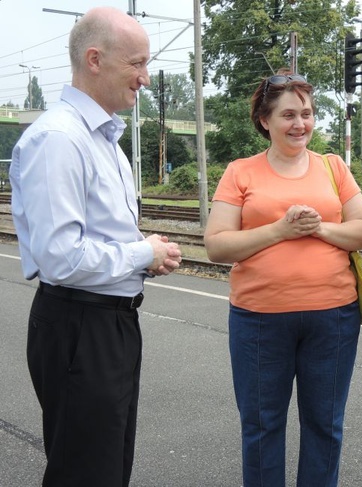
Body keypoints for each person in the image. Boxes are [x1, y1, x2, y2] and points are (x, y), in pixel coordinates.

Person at [9, 6, 182, 486]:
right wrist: (141, 254)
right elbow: (60, 257)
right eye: (137, 63)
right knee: (86, 472)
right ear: (94, 59)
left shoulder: (102, 137)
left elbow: (100, 239)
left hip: (107, 322)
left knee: (105, 465)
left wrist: (145, 259)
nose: (145, 78)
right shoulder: (60, 139)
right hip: (80, 325)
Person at [204, 71, 362, 487]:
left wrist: (317, 229)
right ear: (264, 120)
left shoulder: (333, 167)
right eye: (288, 115)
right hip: (259, 319)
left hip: (333, 318)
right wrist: (281, 230)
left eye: (307, 113)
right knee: (261, 427)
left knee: (325, 425)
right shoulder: (240, 172)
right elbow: (217, 245)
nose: (300, 124)